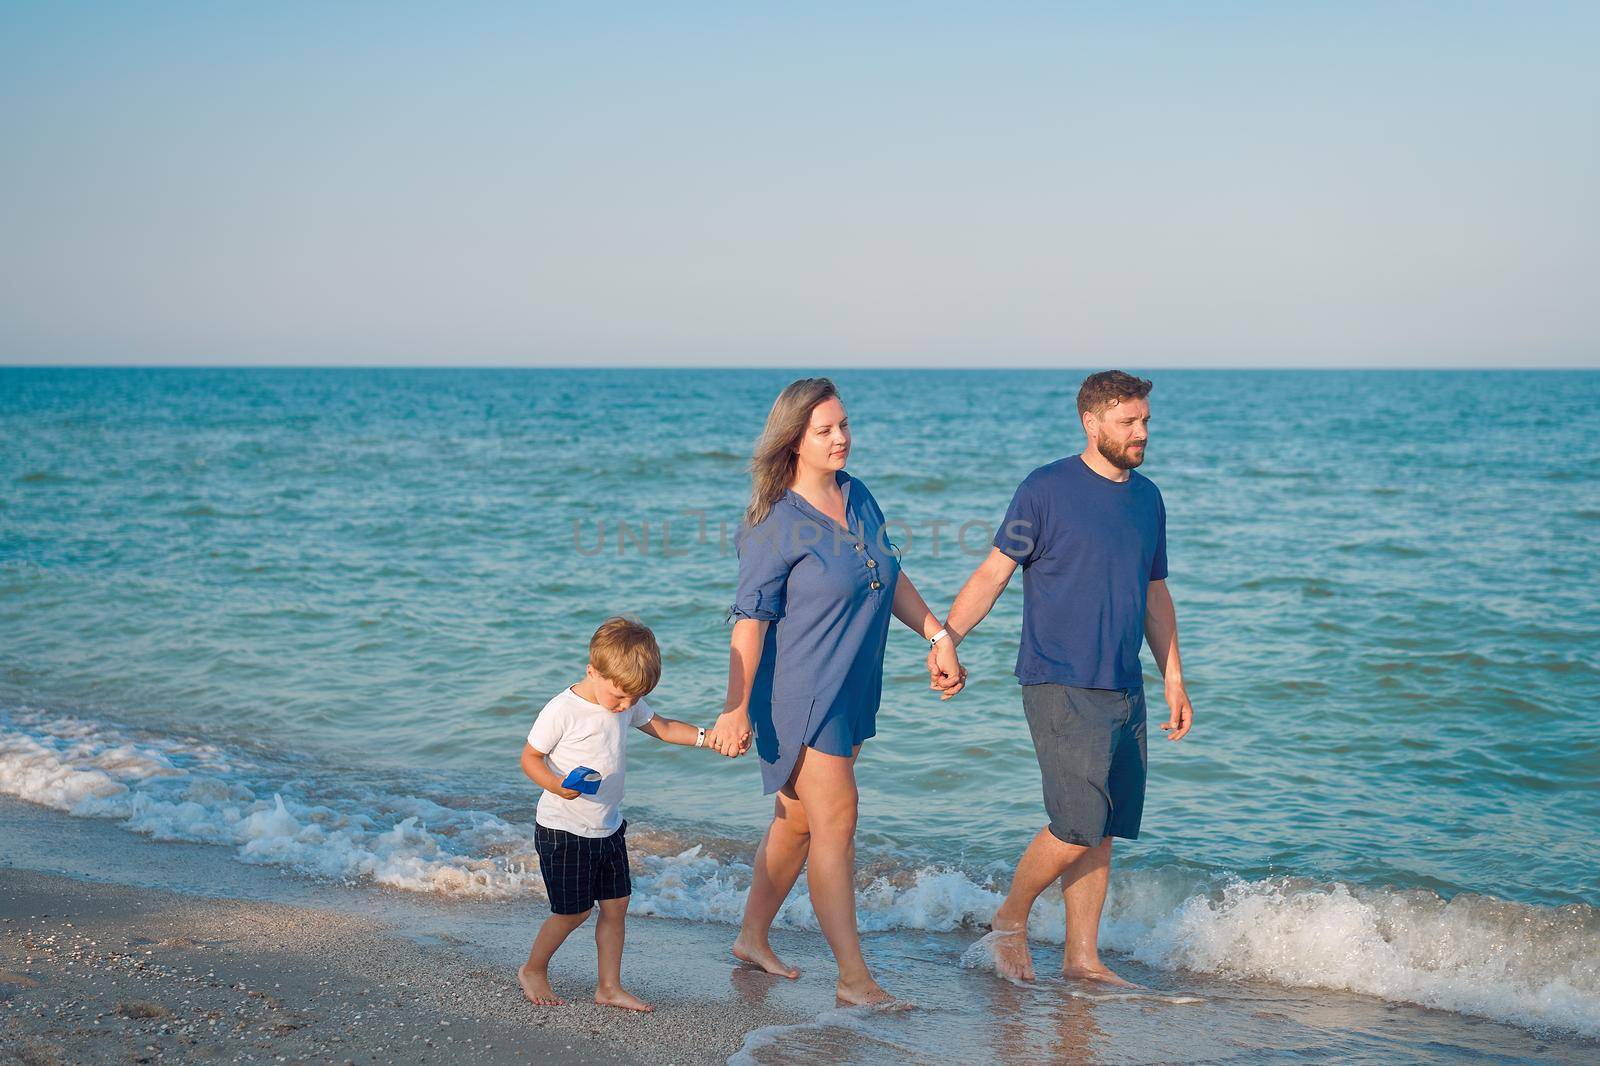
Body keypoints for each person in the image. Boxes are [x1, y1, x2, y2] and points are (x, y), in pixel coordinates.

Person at [928, 370, 1195, 986]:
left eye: (1146, 421)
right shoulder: (1044, 490)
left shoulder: (1148, 498)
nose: (1141, 432)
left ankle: (1082, 959)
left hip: (1124, 683)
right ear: (1091, 422)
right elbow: (996, 571)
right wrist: (947, 639)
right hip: (1059, 680)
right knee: (1076, 822)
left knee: (1099, 829)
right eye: (1129, 421)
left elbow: (1156, 594)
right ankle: (1009, 918)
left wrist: (1174, 678)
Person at [706, 377, 959, 1007]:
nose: (841, 438)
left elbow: (890, 576)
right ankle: (853, 978)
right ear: (794, 441)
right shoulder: (774, 527)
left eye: (844, 424)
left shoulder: (858, 495)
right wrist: (736, 706)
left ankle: (751, 938)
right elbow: (749, 623)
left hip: (851, 688)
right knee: (836, 823)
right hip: (802, 697)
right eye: (825, 430)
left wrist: (937, 635)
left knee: (795, 824)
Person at [517, 616, 729, 1011]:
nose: (626, 706)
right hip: (564, 830)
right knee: (573, 912)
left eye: (634, 698)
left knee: (617, 906)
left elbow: (663, 727)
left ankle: (609, 987)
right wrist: (554, 784)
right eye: (619, 697)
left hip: (608, 827)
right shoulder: (563, 710)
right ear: (592, 672)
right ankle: (533, 968)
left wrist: (708, 738)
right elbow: (530, 758)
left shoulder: (626, 699)